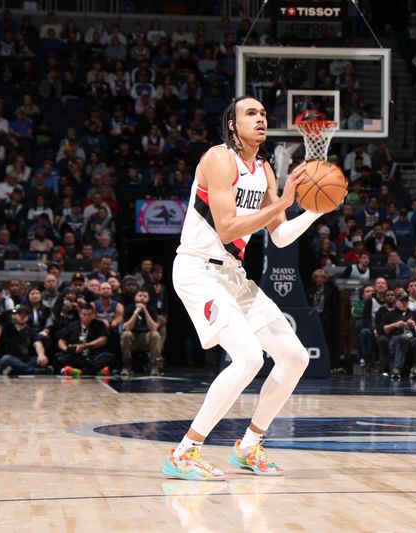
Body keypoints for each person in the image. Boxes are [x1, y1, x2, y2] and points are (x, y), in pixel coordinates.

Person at [165, 96, 331, 481]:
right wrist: (286, 201)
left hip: (233, 275)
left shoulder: (265, 171)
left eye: (263, 114)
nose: (261, 119)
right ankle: (185, 452)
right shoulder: (218, 160)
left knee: (294, 357)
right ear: (231, 123)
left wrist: (313, 210)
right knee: (248, 358)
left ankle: (249, 445)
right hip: (197, 270)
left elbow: (282, 237)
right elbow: (226, 228)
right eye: (251, 113)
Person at [56, 302, 117, 376]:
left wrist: (85, 346)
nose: (87, 317)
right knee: (64, 358)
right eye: (84, 314)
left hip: (94, 356)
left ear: (93, 314)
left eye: (89, 315)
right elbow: (61, 340)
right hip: (78, 357)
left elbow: (103, 340)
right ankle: (95, 372)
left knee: (109, 357)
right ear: (80, 314)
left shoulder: (99, 325)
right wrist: (67, 349)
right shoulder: (73, 325)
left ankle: (80, 372)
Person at [0, 305, 52, 376]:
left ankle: (14, 370)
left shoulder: (31, 331)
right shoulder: (5, 328)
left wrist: (41, 355)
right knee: (6, 359)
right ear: (14, 316)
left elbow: (38, 344)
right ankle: (34, 371)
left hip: (24, 360)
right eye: (20, 314)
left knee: (37, 360)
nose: (23, 316)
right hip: (8, 359)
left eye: (25, 314)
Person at [120, 287, 162, 376]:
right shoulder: (129, 308)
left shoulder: (152, 309)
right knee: (126, 334)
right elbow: (127, 328)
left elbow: (154, 328)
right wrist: (136, 312)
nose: (142, 297)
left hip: (145, 337)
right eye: (140, 295)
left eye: (145, 296)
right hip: (133, 337)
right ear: (135, 297)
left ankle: (154, 365)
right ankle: (126, 364)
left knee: (156, 335)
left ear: (148, 298)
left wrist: (145, 311)